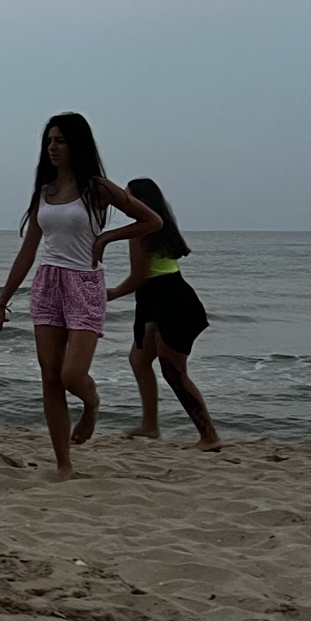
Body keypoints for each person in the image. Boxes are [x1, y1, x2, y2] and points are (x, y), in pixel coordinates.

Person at [0, 113, 162, 480]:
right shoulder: (45, 192)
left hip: (84, 282)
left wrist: (107, 237)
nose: (52, 147)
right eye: (49, 140)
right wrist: (1, 302)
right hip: (47, 283)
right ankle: (63, 463)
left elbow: (151, 221)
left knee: (71, 375)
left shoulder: (97, 188)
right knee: (50, 378)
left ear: (77, 145)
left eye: (61, 141)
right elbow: (28, 251)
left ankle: (92, 402)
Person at [108, 177, 222, 451]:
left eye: (128, 197)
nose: (124, 202)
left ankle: (209, 436)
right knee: (139, 359)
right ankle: (150, 425)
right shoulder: (160, 223)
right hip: (159, 298)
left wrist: (111, 293)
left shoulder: (141, 230)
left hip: (169, 301)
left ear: (141, 201)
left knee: (174, 372)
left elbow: (139, 276)